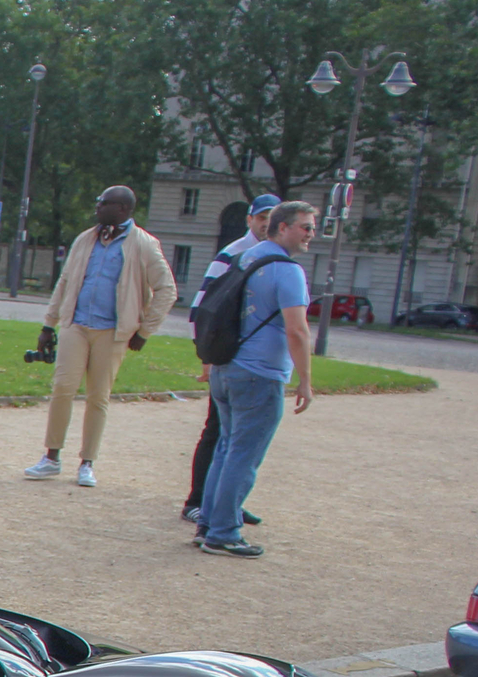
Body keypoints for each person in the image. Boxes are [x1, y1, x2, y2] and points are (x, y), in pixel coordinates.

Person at [21, 186, 178, 488]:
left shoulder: (144, 244)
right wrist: (48, 324)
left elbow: (166, 289)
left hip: (112, 330)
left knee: (98, 396)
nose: (97, 206)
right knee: (62, 387)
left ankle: (87, 462)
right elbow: (65, 281)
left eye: (103, 202)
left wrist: (145, 330)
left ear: (121, 209)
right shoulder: (86, 238)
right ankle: (51, 457)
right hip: (76, 324)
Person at [197, 201, 317, 557]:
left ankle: (208, 522)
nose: (311, 234)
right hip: (258, 373)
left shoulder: (246, 258)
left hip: (227, 365)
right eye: (305, 227)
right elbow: (297, 331)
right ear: (283, 228)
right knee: (243, 455)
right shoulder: (287, 271)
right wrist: (305, 381)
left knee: (226, 448)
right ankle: (223, 532)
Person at [180, 194, 279, 525]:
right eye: (261, 216)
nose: (266, 222)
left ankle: (227, 502)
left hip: (248, 355)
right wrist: (205, 355)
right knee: (218, 430)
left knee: (236, 435)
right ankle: (197, 501)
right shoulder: (232, 254)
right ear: (250, 220)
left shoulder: (273, 255)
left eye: (272, 216)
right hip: (228, 354)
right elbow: (201, 308)